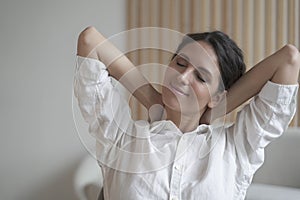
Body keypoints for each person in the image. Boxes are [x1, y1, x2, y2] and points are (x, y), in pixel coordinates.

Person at [74, 26, 300, 200]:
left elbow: (288, 60)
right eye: (180, 63)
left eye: (201, 77)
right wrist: (153, 100)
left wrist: (215, 110)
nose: (182, 78)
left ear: (218, 96)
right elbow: (90, 40)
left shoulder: (234, 148)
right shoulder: (122, 137)